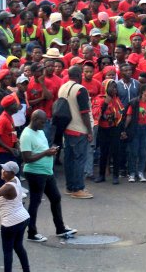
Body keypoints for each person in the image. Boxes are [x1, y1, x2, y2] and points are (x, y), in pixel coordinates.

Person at [20, 110, 77, 242]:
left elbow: (41, 149)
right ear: (34, 119)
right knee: (35, 202)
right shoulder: (26, 135)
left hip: (46, 172)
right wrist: (46, 153)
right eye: (42, 122)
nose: (44, 124)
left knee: (56, 198)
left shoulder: (39, 132)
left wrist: (51, 151)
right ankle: (31, 233)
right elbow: (27, 158)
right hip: (35, 173)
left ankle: (60, 228)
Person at [59, 65, 94, 199]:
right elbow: (84, 113)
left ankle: (70, 186)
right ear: (79, 75)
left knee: (69, 159)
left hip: (67, 128)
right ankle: (78, 188)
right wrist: (90, 131)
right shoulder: (80, 90)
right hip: (79, 129)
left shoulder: (63, 87)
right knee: (79, 160)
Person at [0, 93, 22, 190]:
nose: (17, 106)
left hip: (7, 152)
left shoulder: (9, 117)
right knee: (0, 180)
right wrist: (10, 149)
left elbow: (11, 133)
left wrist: (16, 145)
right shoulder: (3, 119)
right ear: (10, 107)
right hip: (0, 154)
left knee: (11, 178)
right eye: (15, 104)